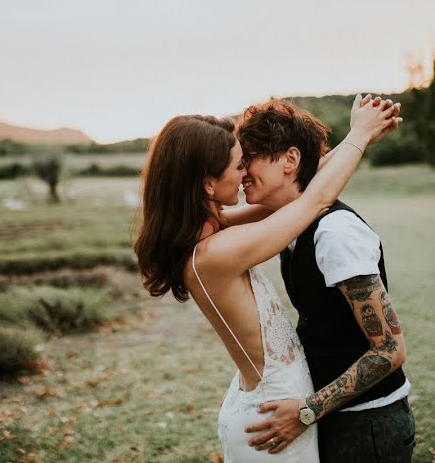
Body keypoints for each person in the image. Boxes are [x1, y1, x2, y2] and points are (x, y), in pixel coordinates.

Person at [134, 95, 402, 462]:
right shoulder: (216, 252)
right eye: (237, 164)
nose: (243, 172)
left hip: (274, 405)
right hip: (274, 417)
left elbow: (302, 185)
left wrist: (359, 137)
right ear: (209, 184)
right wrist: (358, 134)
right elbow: (313, 201)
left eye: (247, 162)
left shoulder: (210, 235)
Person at [237, 99, 415, 463]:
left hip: (368, 427)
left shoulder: (335, 233)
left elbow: (389, 351)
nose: (240, 171)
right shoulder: (290, 222)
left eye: (249, 157)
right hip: (336, 419)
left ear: (290, 160)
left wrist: (306, 411)